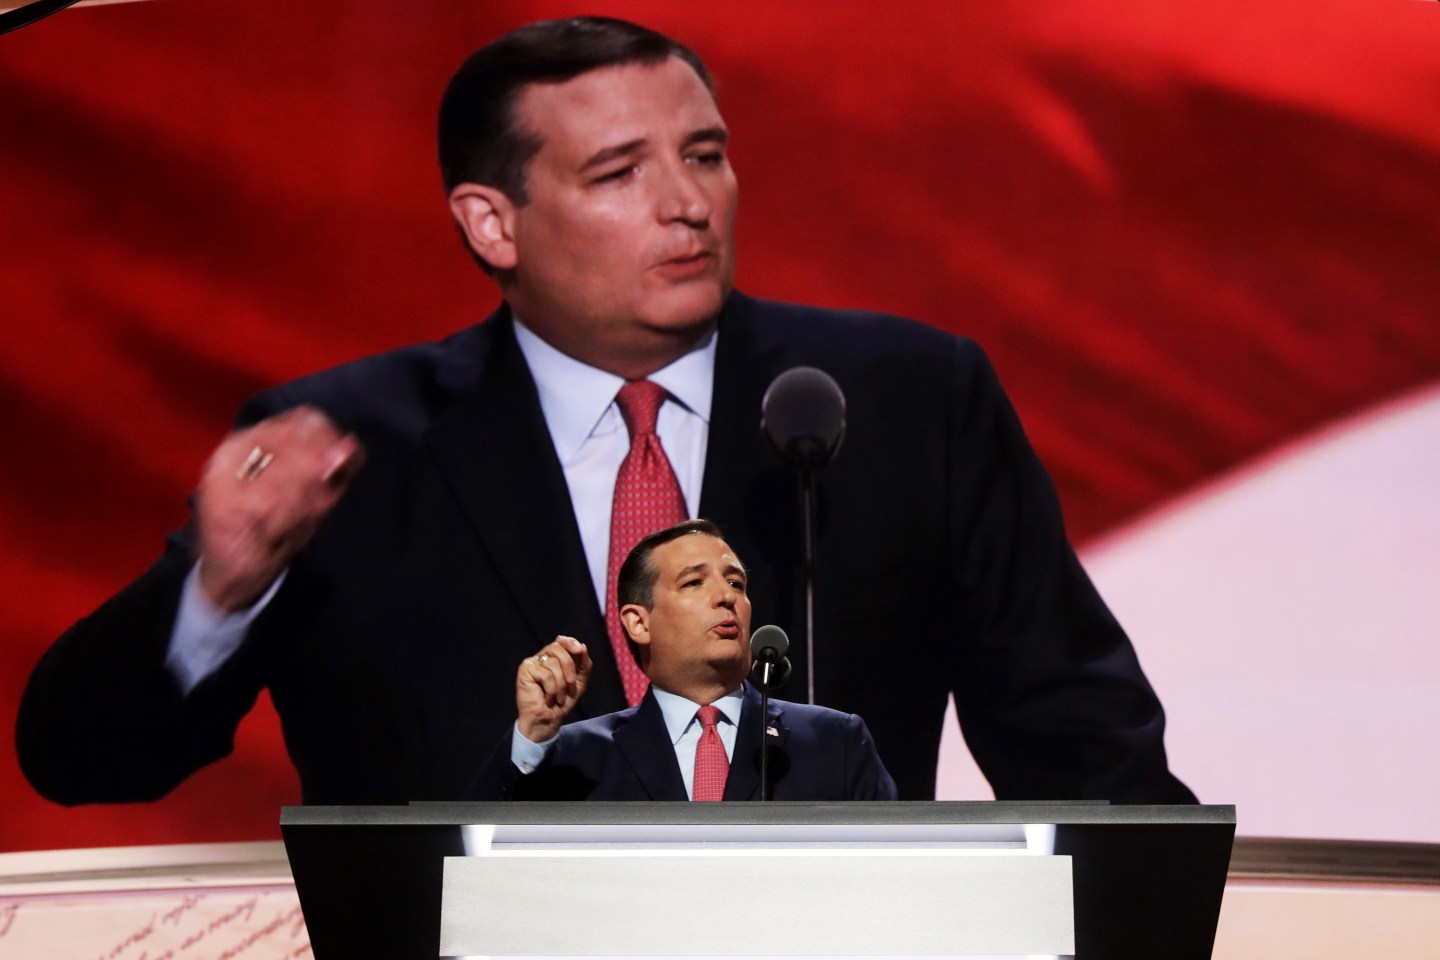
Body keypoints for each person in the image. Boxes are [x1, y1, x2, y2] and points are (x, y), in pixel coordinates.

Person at [17, 16, 1194, 806]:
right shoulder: (353, 449)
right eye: (621, 173)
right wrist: (217, 593)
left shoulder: (906, 401)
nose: (690, 204)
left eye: (706, 155)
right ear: (493, 223)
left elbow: (1084, 749)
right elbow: (82, 761)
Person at [470, 520, 896, 801]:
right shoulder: (577, 757)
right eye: (694, 582)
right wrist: (533, 735)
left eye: (736, 583)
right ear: (639, 623)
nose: (726, 596)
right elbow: (472, 860)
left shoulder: (834, 743)